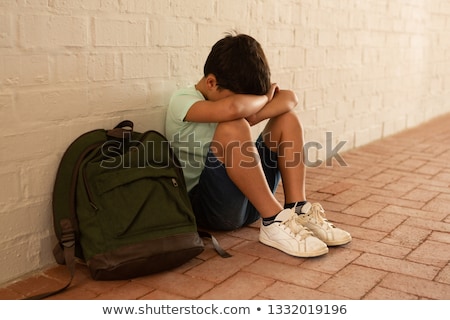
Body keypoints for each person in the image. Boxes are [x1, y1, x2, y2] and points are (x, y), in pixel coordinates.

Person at [165, 33, 351, 258]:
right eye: (246, 102)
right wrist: (263, 99)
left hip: (253, 201)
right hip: (213, 208)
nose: (247, 108)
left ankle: (296, 209)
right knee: (232, 127)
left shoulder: (229, 96)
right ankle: (274, 221)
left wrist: (254, 115)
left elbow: (290, 98)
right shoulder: (182, 100)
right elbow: (233, 109)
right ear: (211, 83)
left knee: (286, 119)